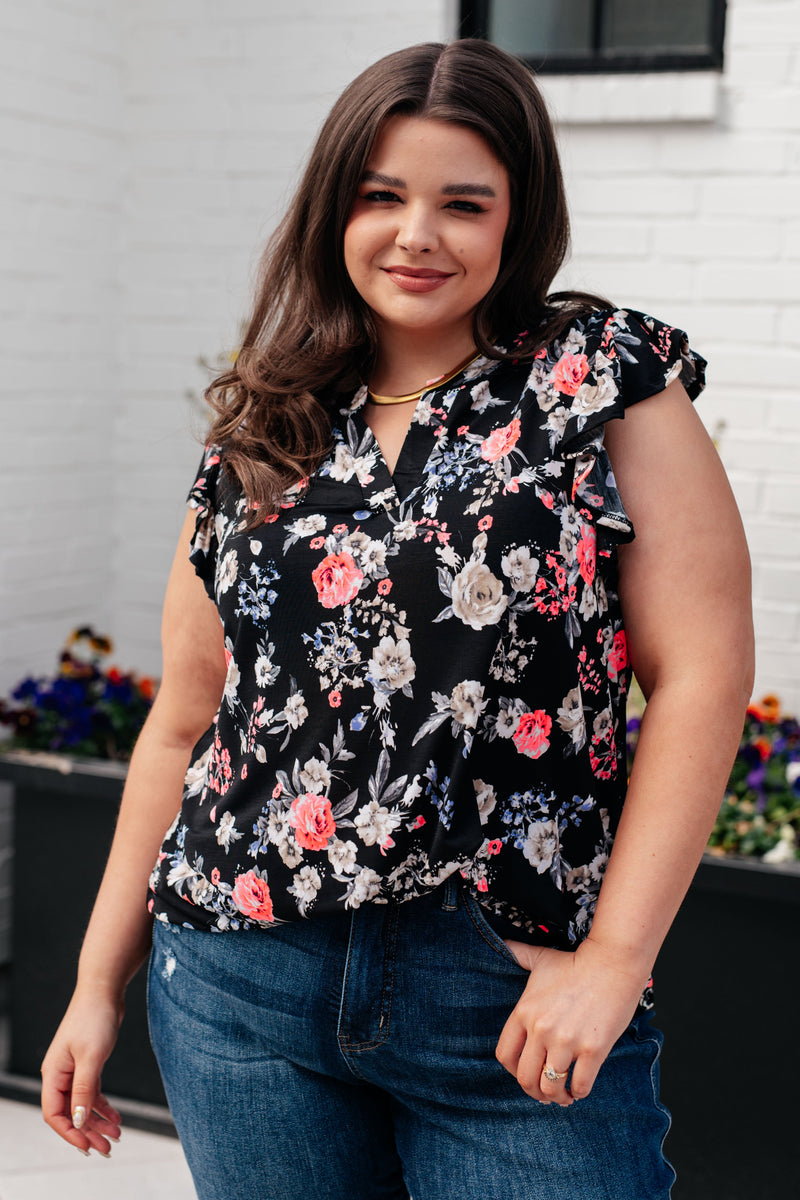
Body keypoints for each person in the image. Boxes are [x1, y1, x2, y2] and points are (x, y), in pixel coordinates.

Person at [40, 38, 753, 1200]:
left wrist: (615, 961)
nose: (416, 234)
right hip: (240, 985)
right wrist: (92, 985)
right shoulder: (265, 420)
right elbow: (185, 720)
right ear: (336, 208)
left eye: (461, 203)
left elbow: (701, 676)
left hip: (508, 999)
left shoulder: (596, 380)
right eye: (381, 196)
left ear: (517, 217)